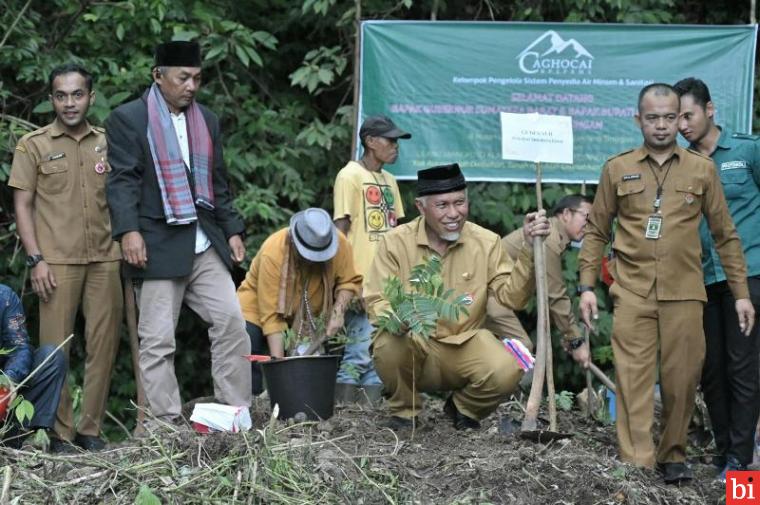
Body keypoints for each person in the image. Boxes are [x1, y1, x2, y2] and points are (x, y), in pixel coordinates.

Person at [577, 83, 754, 484]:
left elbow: (725, 235)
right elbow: (595, 231)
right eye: (652, 118)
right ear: (638, 119)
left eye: (669, 118)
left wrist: (741, 294)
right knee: (632, 377)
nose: (660, 126)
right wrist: (587, 286)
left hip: (685, 292)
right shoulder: (617, 168)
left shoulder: (701, 170)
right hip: (632, 289)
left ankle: (673, 453)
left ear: (680, 119)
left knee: (682, 379)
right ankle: (637, 460)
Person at [105, 41, 251, 424]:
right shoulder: (129, 118)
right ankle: (165, 427)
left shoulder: (208, 119)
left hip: (203, 242)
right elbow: (122, 183)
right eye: (183, 77)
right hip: (156, 243)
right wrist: (128, 232)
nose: (191, 86)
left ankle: (235, 415)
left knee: (232, 323)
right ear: (158, 75)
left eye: (197, 78)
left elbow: (219, 184)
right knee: (157, 342)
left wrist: (233, 229)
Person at [364, 163, 550, 430]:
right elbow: (376, 300)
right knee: (388, 343)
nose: (454, 213)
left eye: (460, 202)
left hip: (465, 344)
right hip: (414, 344)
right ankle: (405, 412)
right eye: (442, 205)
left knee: (514, 361)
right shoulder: (395, 243)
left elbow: (512, 298)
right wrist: (401, 318)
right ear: (421, 206)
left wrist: (529, 252)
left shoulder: (486, 242)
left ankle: (464, 409)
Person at [8, 64, 122, 451]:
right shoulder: (34, 145)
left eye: (77, 94)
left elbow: (124, 195)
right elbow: (22, 205)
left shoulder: (109, 141)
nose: (69, 103)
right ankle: (61, 434)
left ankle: (89, 431)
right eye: (61, 95)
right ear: (52, 99)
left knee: (102, 347)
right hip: (54, 262)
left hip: (106, 258)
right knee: (55, 351)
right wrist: (35, 258)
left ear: (91, 96)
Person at [673, 77, 760, 481]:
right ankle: (725, 451)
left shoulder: (747, 151)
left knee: (741, 366)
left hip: (750, 275)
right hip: (703, 279)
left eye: (688, 115)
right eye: (677, 118)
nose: (682, 125)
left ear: (710, 110)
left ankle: (742, 462)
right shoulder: (680, 164)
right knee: (711, 370)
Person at [237, 208, 363, 392]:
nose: (314, 261)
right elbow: (272, 318)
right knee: (249, 342)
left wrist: (338, 311)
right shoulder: (273, 252)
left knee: (307, 367)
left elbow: (349, 280)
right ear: (295, 243)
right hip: (257, 309)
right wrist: (280, 371)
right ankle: (250, 407)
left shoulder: (340, 244)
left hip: (308, 314)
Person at [333, 115, 410, 399]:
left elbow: (397, 232)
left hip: (388, 280)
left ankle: (367, 425)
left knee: (380, 353)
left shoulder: (389, 179)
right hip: (360, 277)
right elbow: (340, 230)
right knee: (358, 351)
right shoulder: (349, 175)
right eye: (390, 140)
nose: (395, 147)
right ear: (370, 141)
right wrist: (344, 280)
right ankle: (344, 416)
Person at [486, 194, 592, 352]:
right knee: (522, 352)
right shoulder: (547, 237)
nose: (589, 226)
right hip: (486, 293)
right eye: (587, 218)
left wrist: (569, 338)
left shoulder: (553, 236)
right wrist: (575, 341)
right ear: (566, 214)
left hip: (496, 296)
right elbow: (555, 296)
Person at [0, 284, 67, 451]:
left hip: (5, 389)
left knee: (51, 357)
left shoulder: (5, 296)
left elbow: (20, 346)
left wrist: (8, 381)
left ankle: (14, 438)